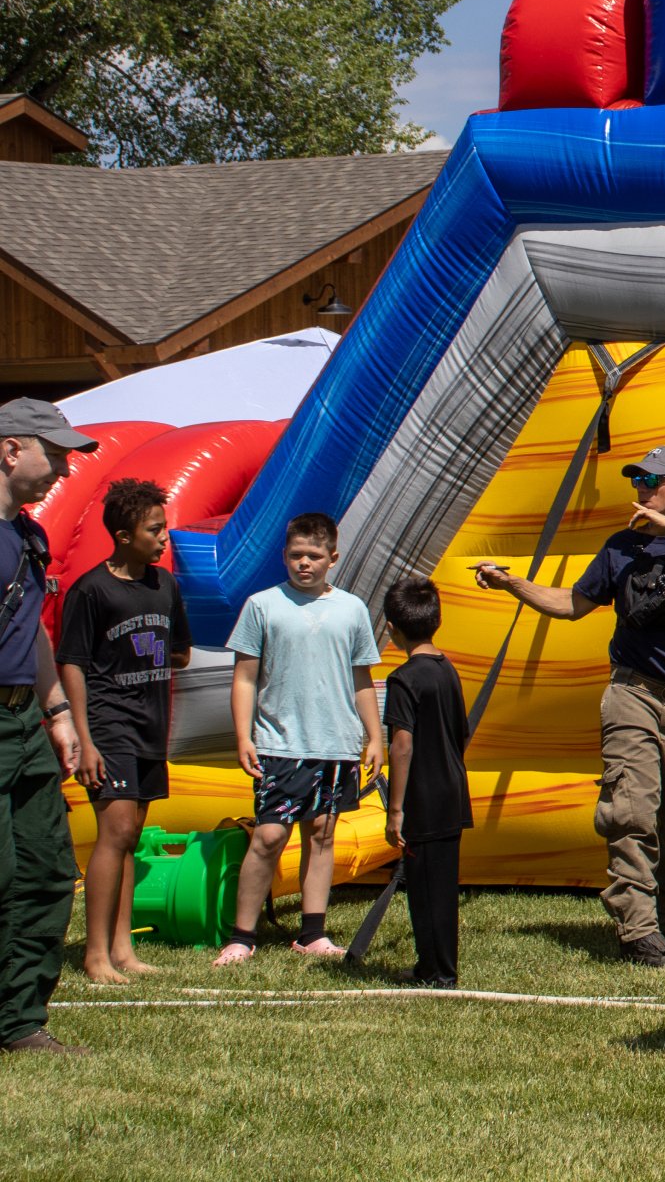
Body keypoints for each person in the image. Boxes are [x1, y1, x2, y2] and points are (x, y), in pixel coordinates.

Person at [475, 444, 665, 965]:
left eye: (650, 481)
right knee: (631, 811)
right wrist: (514, 584)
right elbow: (572, 605)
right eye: (636, 482)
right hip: (631, 694)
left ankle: (662, 914)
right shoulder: (620, 547)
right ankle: (638, 932)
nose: (639, 490)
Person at [214, 513, 383, 965]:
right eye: (295, 555)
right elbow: (245, 678)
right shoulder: (263, 605)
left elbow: (362, 678)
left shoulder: (351, 609)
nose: (303, 563)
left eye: (313, 556)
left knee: (323, 834)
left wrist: (374, 736)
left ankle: (313, 931)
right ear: (284, 556)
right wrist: (243, 736)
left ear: (333, 558)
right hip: (278, 745)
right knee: (268, 836)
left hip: (335, 745)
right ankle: (242, 935)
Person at [57, 478, 190, 984]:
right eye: (155, 529)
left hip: (151, 726)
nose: (164, 538)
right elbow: (71, 662)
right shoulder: (91, 590)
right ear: (122, 534)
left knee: (131, 835)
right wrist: (85, 739)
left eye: (165, 527)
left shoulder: (165, 585)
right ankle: (94, 956)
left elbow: (180, 649)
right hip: (108, 726)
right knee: (113, 833)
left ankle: (122, 948)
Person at [0, 398, 95, 1054]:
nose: (65, 467)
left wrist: (57, 711)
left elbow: (27, 626)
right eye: (54, 452)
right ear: (10, 449)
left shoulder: (28, 537)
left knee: (45, 869)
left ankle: (19, 1021)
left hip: (24, 724)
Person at [381, 577, 471, 989]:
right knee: (440, 887)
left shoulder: (404, 679)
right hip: (452, 790)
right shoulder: (447, 670)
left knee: (425, 890)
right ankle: (431, 966)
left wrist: (395, 809)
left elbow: (402, 746)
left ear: (392, 629)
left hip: (423, 796)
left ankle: (438, 972)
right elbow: (461, 730)